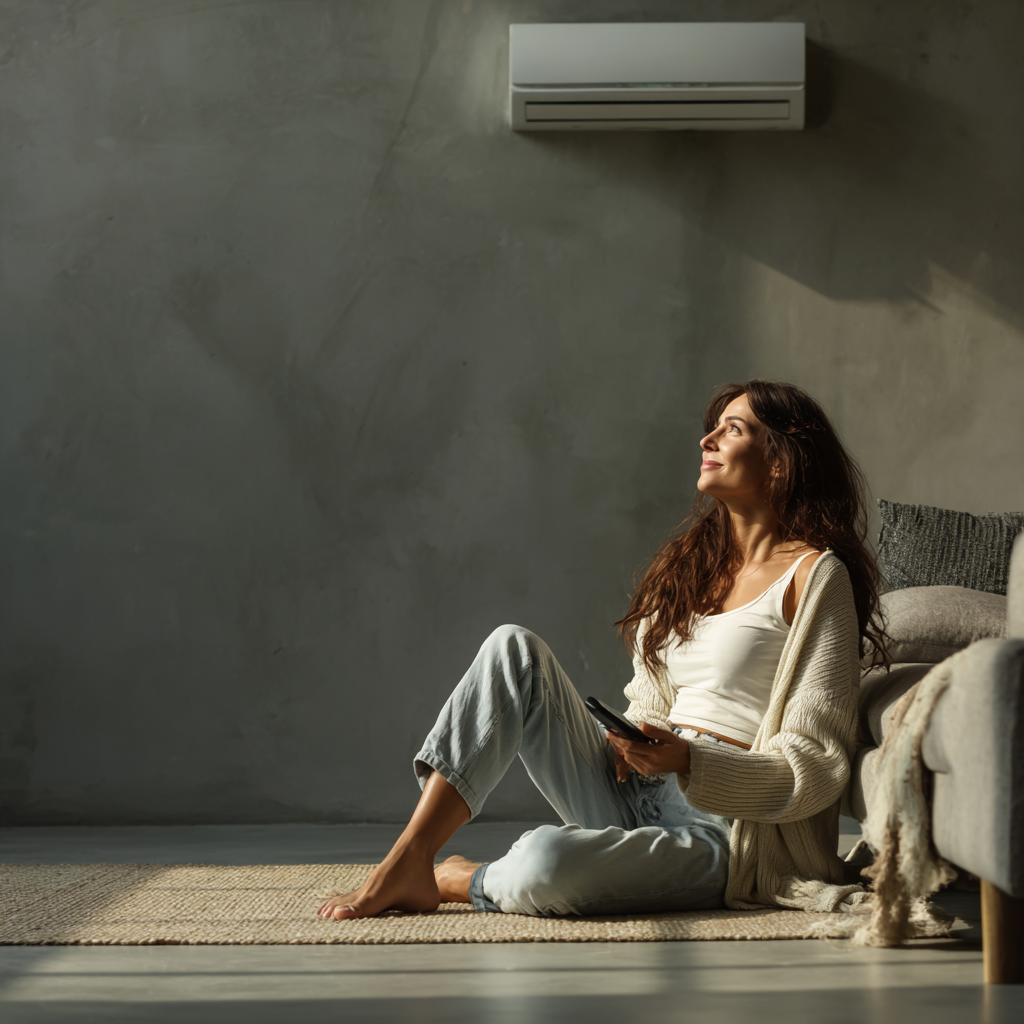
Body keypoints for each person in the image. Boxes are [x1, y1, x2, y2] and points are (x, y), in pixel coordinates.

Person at [318, 380, 885, 921]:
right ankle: (411, 856)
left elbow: (817, 765)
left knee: (546, 863)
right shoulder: (693, 565)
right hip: (633, 788)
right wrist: (633, 736)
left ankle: (459, 879)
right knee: (511, 648)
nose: (706, 440)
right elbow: (652, 696)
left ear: (780, 460)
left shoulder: (815, 579)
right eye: (711, 428)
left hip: (729, 830)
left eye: (731, 429)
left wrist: (688, 759)